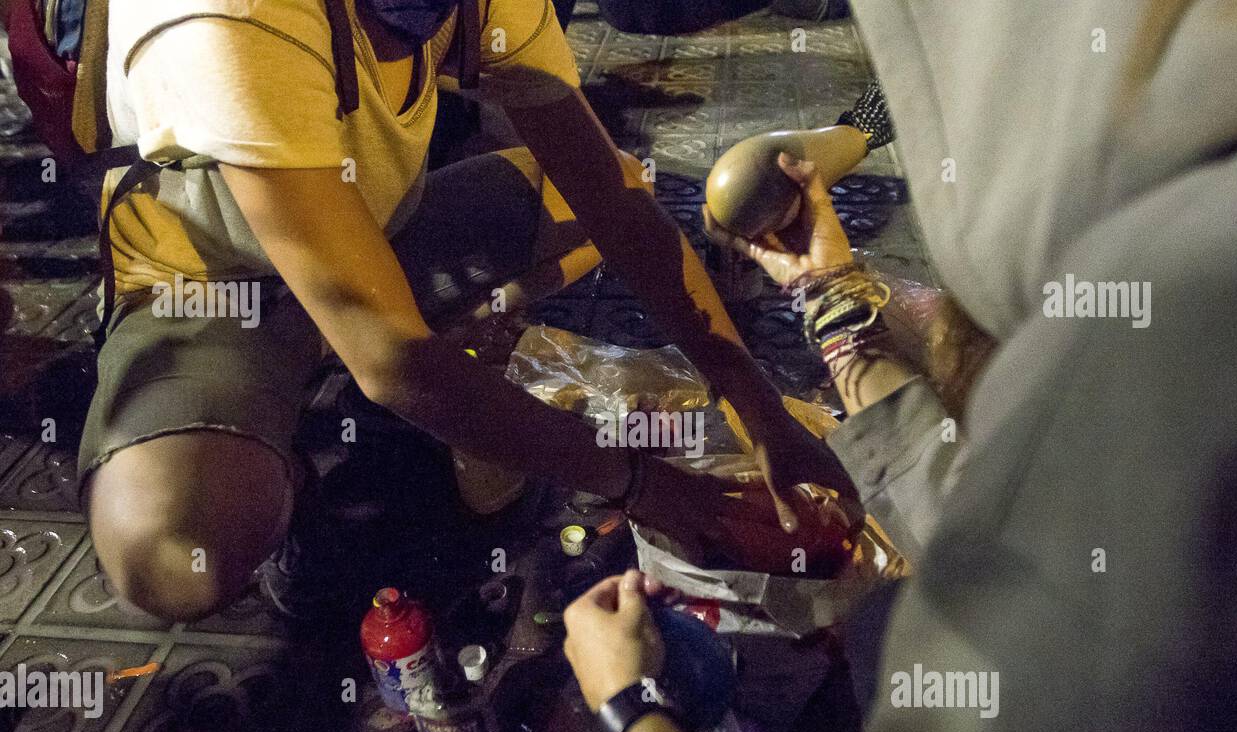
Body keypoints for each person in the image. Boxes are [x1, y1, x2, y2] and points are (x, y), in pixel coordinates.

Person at [562, 0, 1237, 732]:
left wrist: (628, 715)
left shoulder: (1185, 317)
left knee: (887, 642)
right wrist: (832, 296)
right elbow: (1005, 521)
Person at [81, 0, 854, 621]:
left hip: (381, 240)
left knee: (620, 187)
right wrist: (643, 486)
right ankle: (285, 449)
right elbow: (392, 360)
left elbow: (609, 202)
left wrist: (761, 411)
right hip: (218, 293)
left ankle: (415, 371)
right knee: (173, 555)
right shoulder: (226, 18)